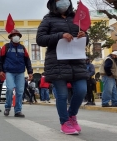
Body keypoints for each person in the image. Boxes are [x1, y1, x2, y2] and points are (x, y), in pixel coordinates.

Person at [36, 0, 89, 134]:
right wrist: (60, 35)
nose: (64, 3)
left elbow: (85, 38)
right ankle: (64, 122)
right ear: (54, 3)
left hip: (76, 61)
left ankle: (71, 115)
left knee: (82, 90)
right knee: (62, 94)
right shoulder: (48, 19)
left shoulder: (76, 18)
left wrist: (85, 36)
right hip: (57, 61)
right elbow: (40, 39)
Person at [0, 29, 33, 117]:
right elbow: (0, 59)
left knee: (20, 91)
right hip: (9, 72)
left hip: (20, 72)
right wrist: (1, 70)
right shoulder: (6, 47)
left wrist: (30, 72)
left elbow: (27, 60)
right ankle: (7, 107)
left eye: (17, 35)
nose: (16, 36)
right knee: (10, 89)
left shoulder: (22, 48)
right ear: (10, 37)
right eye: (14, 35)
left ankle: (18, 110)